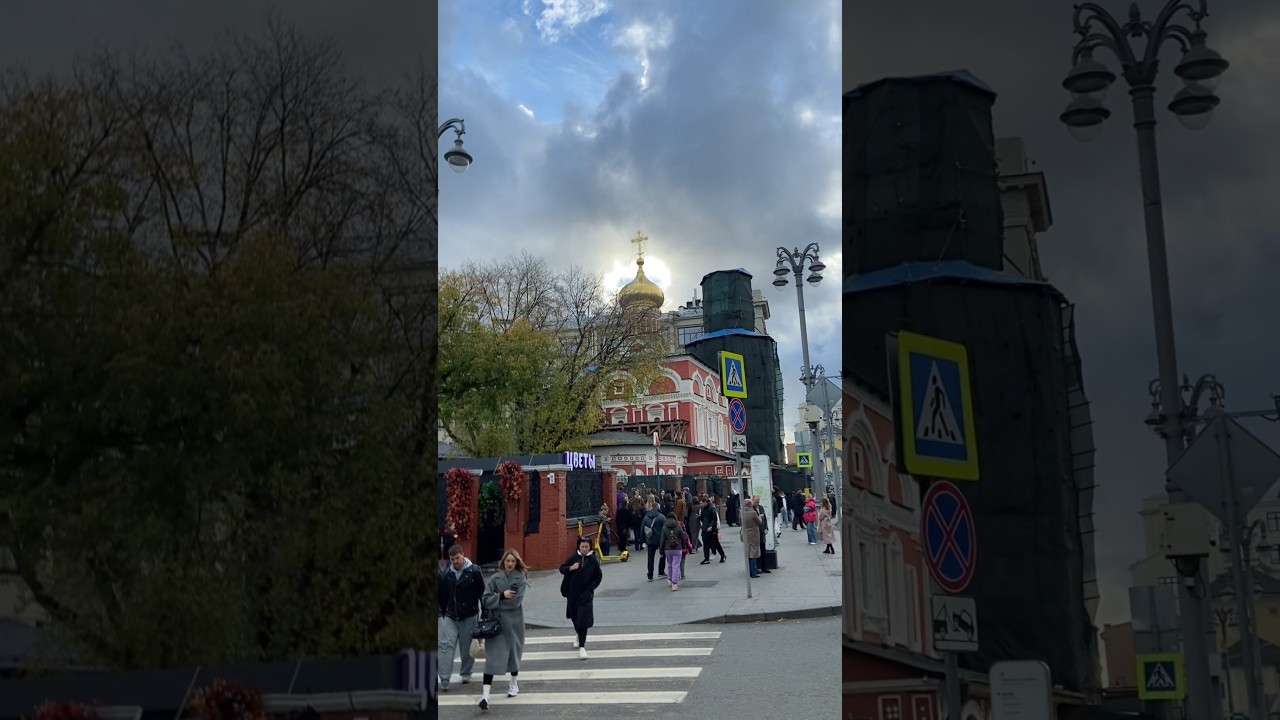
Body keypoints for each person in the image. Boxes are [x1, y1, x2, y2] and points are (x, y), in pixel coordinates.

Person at [477, 549, 529, 710]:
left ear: (517, 562)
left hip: (514, 624)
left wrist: (497, 601)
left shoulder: (520, 579)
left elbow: (516, 602)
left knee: (513, 655)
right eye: (508, 561)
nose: (510, 564)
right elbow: (485, 599)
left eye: (513, 561)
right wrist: (501, 596)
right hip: (496, 625)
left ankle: (513, 684)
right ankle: (485, 696)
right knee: (492, 658)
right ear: (503, 562)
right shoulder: (495, 578)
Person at [438, 545, 484, 693]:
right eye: (452, 559)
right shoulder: (447, 574)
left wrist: (485, 614)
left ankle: (466, 673)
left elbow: (482, 594)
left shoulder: (474, 571)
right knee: (445, 645)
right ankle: (444, 679)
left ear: (463, 555)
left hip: (469, 613)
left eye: (457, 558)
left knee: (466, 648)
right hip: (450, 614)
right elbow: (442, 596)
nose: (455, 562)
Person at [560, 536, 604, 658]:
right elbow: (561, 568)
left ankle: (582, 647)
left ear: (590, 547)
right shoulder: (573, 557)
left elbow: (598, 576)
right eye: (582, 547)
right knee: (575, 617)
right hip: (572, 594)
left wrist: (591, 588)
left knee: (583, 620)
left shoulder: (593, 560)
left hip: (586, 595)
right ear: (578, 547)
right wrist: (570, 568)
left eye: (586, 547)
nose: (584, 549)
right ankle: (578, 635)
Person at [662, 512, 690, 591]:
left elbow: (662, 540)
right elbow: (683, 537)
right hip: (677, 548)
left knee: (670, 564)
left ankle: (669, 580)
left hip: (667, 549)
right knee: (676, 565)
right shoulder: (678, 526)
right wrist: (684, 547)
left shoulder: (664, 527)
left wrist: (661, 550)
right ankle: (674, 583)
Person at [643, 500, 667, 581]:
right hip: (660, 540)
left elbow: (642, 528)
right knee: (662, 555)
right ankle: (661, 572)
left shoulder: (646, 517)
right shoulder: (661, 517)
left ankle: (650, 575)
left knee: (650, 558)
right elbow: (665, 528)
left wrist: (643, 540)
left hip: (650, 540)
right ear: (658, 508)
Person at [699, 496, 726, 564]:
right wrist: (699, 518)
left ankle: (723, 555)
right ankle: (706, 558)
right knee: (705, 543)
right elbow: (702, 518)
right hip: (705, 528)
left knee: (715, 543)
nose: (701, 504)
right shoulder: (703, 509)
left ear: (705, 502)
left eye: (702, 503)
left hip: (712, 529)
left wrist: (711, 526)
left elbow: (714, 519)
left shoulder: (711, 508)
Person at [740, 499, 762, 578]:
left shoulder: (742, 512)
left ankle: (749, 570)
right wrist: (760, 518)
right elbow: (759, 523)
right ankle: (753, 571)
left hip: (745, 534)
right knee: (753, 553)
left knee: (748, 552)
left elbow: (740, 522)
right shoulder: (753, 513)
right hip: (753, 534)